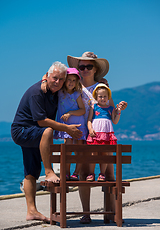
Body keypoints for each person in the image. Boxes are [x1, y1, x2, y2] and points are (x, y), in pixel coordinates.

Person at [11, 61, 82, 223]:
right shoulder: (37, 92)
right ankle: (49, 171)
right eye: (54, 78)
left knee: (31, 172)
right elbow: (42, 121)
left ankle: (31, 211)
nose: (57, 82)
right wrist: (66, 128)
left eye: (61, 79)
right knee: (48, 130)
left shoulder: (56, 90)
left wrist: (102, 83)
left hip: (35, 132)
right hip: (22, 130)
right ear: (47, 76)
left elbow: (75, 84)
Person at [67, 51, 127, 224]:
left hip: (99, 137)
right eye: (81, 66)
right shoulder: (72, 86)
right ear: (77, 69)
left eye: (89, 66)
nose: (85, 69)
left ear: (96, 69)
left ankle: (111, 213)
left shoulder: (103, 88)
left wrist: (119, 108)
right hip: (81, 135)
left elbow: (111, 112)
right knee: (84, 174)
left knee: (107, 172)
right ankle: (86, 213)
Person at [54, 68, 87, 181]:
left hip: (79, 125)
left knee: (79, 151)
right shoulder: (59, 93)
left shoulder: (77, 94)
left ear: (77, 82)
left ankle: (75, 173)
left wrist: (70, 113)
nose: (71, 82)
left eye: (74, 80)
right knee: (67, 151)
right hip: (66, 127)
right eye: (69, 79)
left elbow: (82, 110)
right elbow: (45, 76)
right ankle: (66, 173)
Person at [86, 83, 122, 182]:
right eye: (100, 96)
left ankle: (102, 174)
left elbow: (115, 121)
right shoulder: (93, 107)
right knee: (93, 154)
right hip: (95, 134)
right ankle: (91, 173)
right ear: (96, 97)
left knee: (105, 154)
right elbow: (89, 120)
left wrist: (118, 111)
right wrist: (90, 129)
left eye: (105, 96)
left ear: (108, 97)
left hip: (106, 134)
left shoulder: (111, 109)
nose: (103, 98)